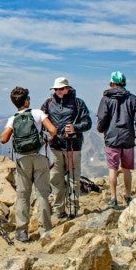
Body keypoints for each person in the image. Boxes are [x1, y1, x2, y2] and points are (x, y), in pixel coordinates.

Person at [0, 86, 57, 243]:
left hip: (22, 159)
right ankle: (45, 230)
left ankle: (22, 232)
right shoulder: (37, 113)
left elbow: (3, 139)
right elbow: (53, 130)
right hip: (40, 157)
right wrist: (47, 138)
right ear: (27, 101)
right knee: (42, 194)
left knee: (23, 195)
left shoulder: (13, 119)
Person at [40, 77, 92, 219]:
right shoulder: (48, 103)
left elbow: (88, 122)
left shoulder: (78, 103)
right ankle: (59, 209)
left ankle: (73, 209)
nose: (58, 91)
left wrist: (75, 128)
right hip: (55, 146)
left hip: (73, 146)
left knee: (74, 179)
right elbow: (40, 120)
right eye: (56, 89)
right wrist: (48, 133)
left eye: (61, 88)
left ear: (68, 88)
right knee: (55, 178)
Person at [96, 71, 136, 208]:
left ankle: (113, 198)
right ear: (124, 82)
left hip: (112, 139)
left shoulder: (106, 99)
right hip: (128, 138)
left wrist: (101, 129)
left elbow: (102, 117)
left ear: (111, 83)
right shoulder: (132, 99)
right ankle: (128, 196)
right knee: (126, 169)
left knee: (113, 169)